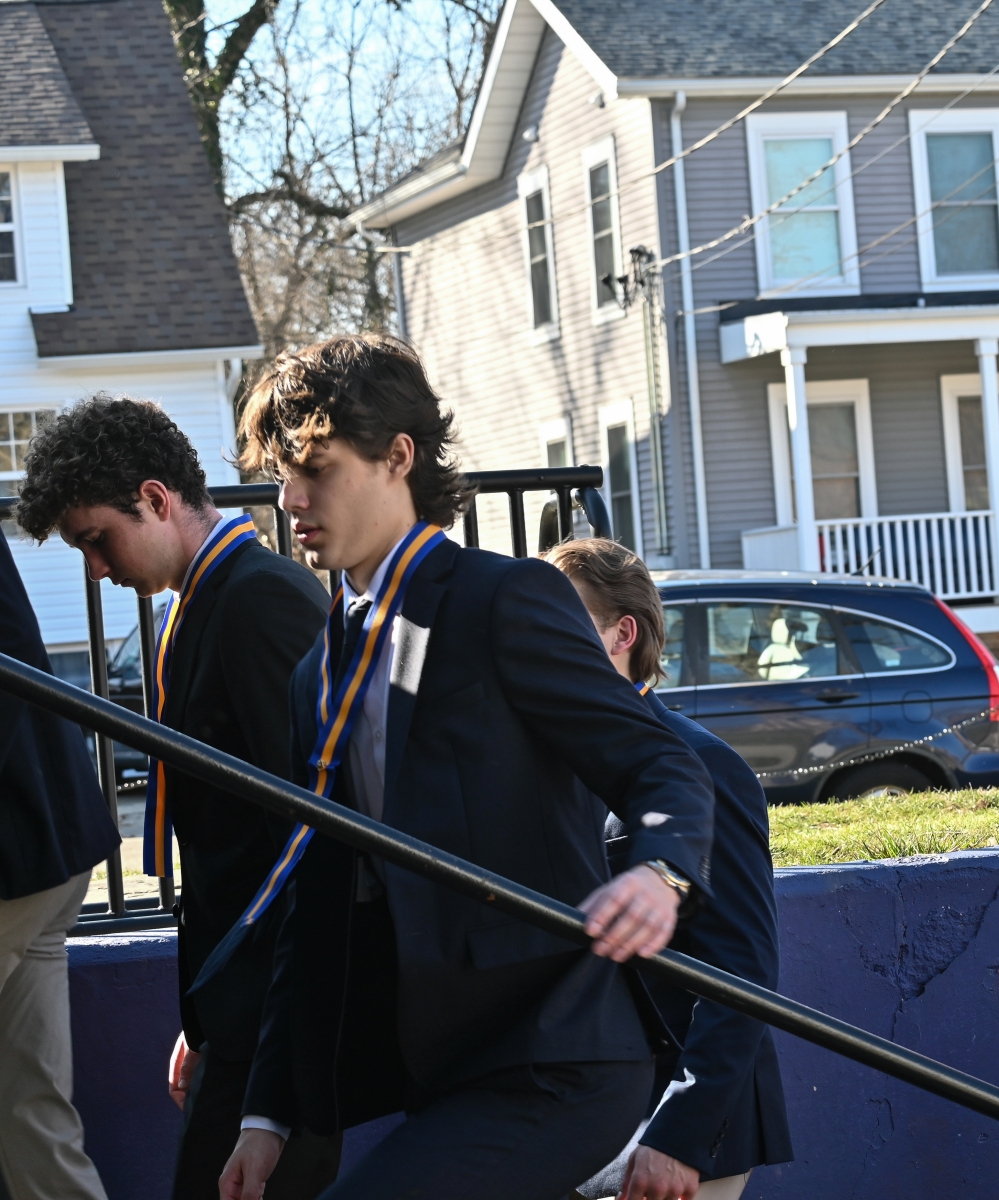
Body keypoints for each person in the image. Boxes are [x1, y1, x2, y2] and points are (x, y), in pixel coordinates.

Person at [215, 334, 717, 1200]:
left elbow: (659, 759)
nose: (290, 499)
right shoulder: (317, 670)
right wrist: (267, 1112)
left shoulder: (503, 598)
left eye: (316, 470)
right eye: (283, 476)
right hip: (444, 1067)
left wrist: (660, 872)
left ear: (397, 457)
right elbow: (313, 898)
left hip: (560, 1055)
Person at [15, 394, 338, 1200]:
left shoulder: (259, 600)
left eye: (97, 539)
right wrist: (206, 1018)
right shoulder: (202, 602)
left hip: (281, 1018)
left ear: (156, 499)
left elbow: (316, 833)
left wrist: (260, 1031)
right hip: (238, 1009)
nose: (96, 568)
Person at [545, 538, 792, 1200]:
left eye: (562, 622)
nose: (538, 640)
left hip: (672, 1133)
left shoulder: (703, 766)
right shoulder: (552, 763)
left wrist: (679, 1132)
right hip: (573, 1118)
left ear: (622, 634)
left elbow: (742, 966)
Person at [0, 535, 116, 1200]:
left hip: (23, 857)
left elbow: (10, 643)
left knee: (31, 1110)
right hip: (49, 849)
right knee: (31, 1111)